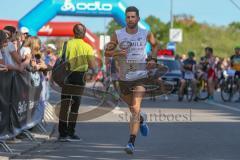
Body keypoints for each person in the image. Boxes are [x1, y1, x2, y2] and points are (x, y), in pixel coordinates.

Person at [105, 6, 158, 154]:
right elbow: (107, 52)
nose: (130, 19)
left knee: (135, 107)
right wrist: (116, 52)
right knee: (133, 108)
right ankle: (141, 120)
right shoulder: (117, 35)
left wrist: (153, 58)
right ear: (125, 19)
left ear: (138, 19)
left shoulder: (146, 33)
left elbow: (155, 45)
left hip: (141, 76)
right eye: (128, 17)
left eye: (133, 17)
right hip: (124, 78)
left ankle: (131, 143)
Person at [58, 23, 97, 142]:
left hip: (67, 75)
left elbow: (60, 60)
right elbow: (92, 65)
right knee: (75, 106)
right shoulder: (87, 47)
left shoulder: (66, 44)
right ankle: (71, 132)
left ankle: (62, 134)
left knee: (65, 105)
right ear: (84, 33)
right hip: (80, 77)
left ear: (73, 32)